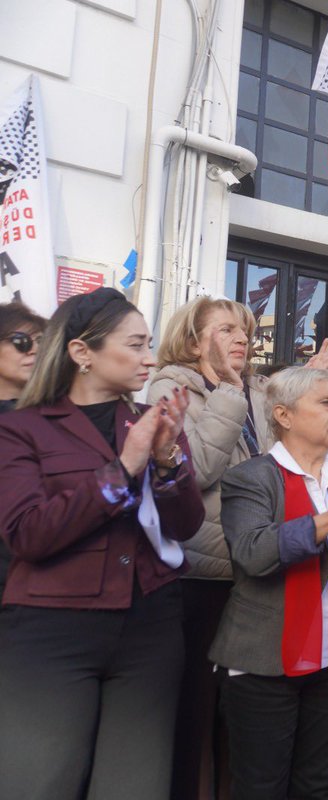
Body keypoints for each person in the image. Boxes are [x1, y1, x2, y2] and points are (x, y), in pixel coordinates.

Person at [0, 287, 205, 799]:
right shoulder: (21, 428)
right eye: (134, 345)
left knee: (135, 787)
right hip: (51, 630)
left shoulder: (153, 422)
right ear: (81, 353)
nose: (149, 358)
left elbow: (185, 526)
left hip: (150, 628)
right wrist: (122, 471)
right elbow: (28, 533)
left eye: (150, 344)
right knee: (38, 782)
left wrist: (167, 463)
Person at [211, 367, 328, 800]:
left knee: (322, 784)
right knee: (261, 787)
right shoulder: (252, 477)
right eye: (326, 403)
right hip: (264, 662)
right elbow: (254, 553)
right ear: (284, 415)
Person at [150, 296, 270, 800]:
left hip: (243, 574)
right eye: (226, 330)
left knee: (237, 716)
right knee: (192, 714)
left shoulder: (247, 393)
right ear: (193, 341)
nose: (241, 339)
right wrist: (227, 393)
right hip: (198, 578)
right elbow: (193, 470)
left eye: (244, 330)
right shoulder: (170, 387)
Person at [0, 301, 45, 600]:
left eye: (41, 344)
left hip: (32, 582)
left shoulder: (55, 419)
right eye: (21, 341)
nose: (32, 351)